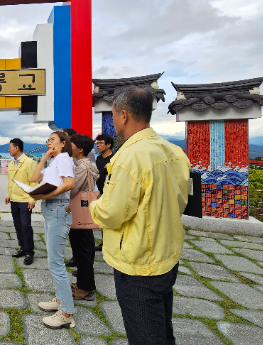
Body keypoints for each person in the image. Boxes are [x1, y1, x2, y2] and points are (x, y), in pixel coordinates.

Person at [90, 86, 190, 344]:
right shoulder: (171, 150)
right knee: (162, 328)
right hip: (165, 251)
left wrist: (93, 205)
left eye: (112, 114)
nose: (113, 120)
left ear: (123, 115)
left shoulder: (131, 156)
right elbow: (181, 200)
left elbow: (112, 213)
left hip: (138, 261)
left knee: (145, 335)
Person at [29, 131, 76, 329]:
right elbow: (33, 178)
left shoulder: (64, 158)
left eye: (53, 140)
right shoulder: (54, 161)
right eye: (47, 140)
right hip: (51, 210)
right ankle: (60, 300)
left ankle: (66, 312)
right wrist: (44, 157)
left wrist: (45, 197)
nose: (49, 142)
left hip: (57, 209)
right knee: (53, 259)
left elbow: (69, 184)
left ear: (64, 144)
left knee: (56, 263)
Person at [68, 133, 99, 302]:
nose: (68, 147)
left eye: (71, 145)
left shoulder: (81, 167)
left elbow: (72, 189)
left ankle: (86, 288)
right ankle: (82, 283)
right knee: (82, 249)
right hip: (82, 212)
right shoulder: (86, 164)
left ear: (80, 149)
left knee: (82, 249)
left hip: (80, 211)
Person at [5, 138, 38, 265]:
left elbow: (34, 182)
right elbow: (10, 181)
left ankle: (29, 252)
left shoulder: (30, 162)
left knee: (26, 225)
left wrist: (32, 199)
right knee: (18, 225)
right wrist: (8, 195)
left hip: (25, 199)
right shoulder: (11, 163)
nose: (8, 150)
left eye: (10, 147)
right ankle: (22, 247)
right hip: (14, 199)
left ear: (16, 148)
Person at [93, 133, 114, 252]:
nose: (98, 145)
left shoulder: (114, 159)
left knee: (109, 219)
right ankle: (104, 243)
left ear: (109, 144)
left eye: (100, 143)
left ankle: (111, 244)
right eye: (97, 143)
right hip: (99, 192)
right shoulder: (99, 158)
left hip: (110, 193)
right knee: (102, 219)